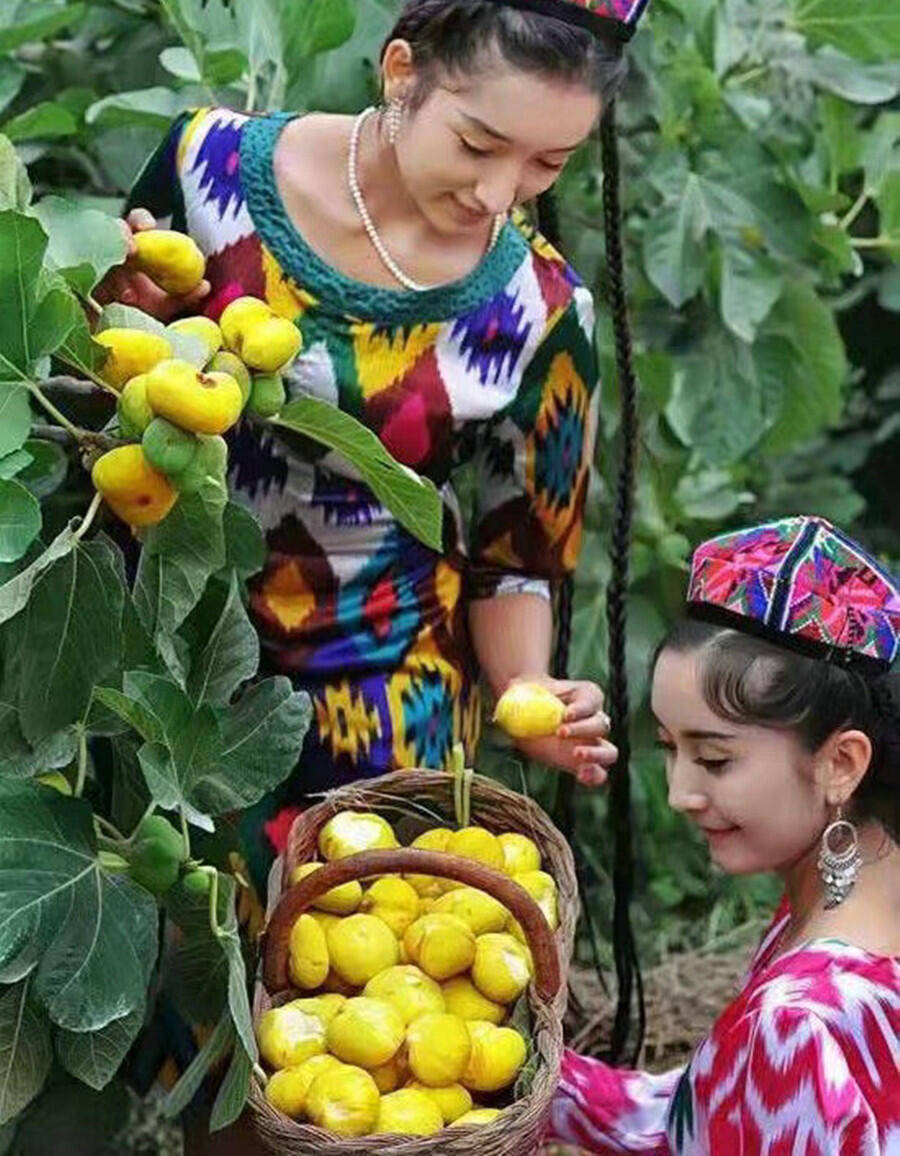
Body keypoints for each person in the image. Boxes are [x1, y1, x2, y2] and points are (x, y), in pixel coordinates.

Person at [97, 0, 651, 898]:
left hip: (382, 680)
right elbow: (104, 360)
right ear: (401, 73)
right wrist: (117, 316)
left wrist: (531, 696)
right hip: (160, 631)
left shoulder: (539, 310)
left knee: (361, 965)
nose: (499, 193)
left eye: (548, 163)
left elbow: (521, 556)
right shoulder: (210, 170)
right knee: (165, 943)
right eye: (478, 145)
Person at [549, 515, 900, 1154]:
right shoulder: (853, 909)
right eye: (667, 748)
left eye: (714, 759)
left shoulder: (796, 1023)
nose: (681, 792)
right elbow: (710, 1108)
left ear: (841, 763)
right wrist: (538, 1081)